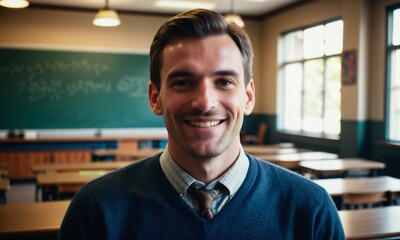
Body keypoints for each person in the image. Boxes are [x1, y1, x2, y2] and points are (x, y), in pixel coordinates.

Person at [57, 9, 345, 239]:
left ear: (247, 96)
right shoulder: (96, 209)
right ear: (155, 98)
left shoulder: (310, 209)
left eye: (224, 81)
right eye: (183, 82)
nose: (205, 102)